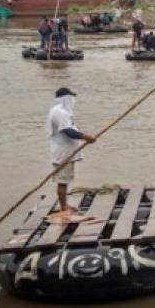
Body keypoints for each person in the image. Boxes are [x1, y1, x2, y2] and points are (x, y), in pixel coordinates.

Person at [46, 88, 97, 216]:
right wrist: (86, 137)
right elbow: (68, 131)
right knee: (62, 181)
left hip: (66, 152)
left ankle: (65, 204)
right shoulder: (60, 113)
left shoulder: (59, 111)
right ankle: (63, 207)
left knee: (65, 179)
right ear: (66, 99)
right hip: (63, 153)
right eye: (71, 99)